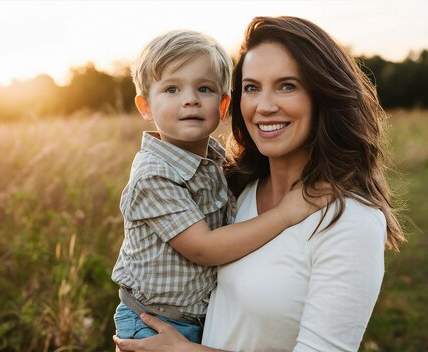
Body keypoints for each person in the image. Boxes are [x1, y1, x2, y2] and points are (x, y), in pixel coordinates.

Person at [114, 16, 406, 352]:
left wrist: (184, 351)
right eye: (252, 87)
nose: (265, 107)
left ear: (322, 96)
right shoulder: (237, 187)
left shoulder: (348, 220)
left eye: (287, 85)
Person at [111, 29, 328, 344]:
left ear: (224, 105)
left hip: (198, 318)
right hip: (152, 321)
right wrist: (285, 213)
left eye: (204, 88)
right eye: (172, 89)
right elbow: (205, 248)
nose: (190, 99)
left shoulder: (215, 157)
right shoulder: (153, 176)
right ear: (145, 106)